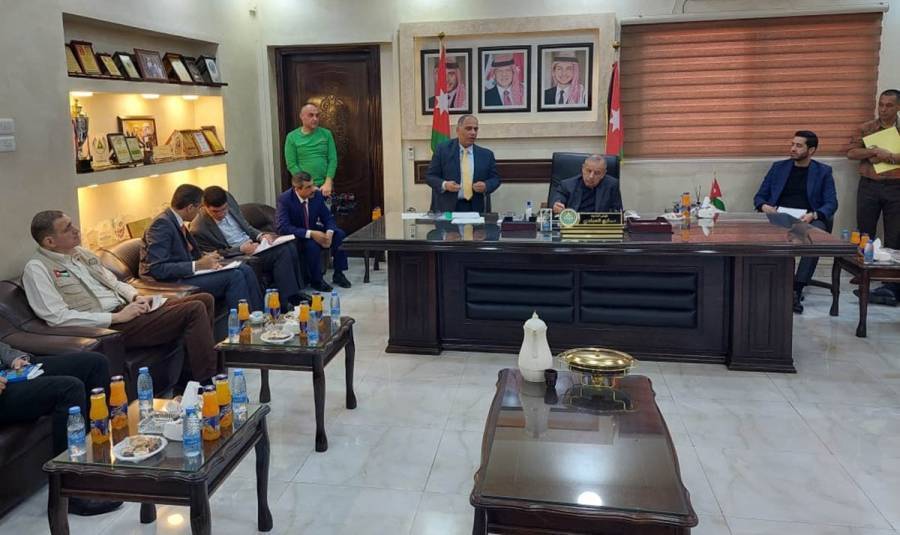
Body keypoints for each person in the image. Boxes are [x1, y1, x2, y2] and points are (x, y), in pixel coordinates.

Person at [23, 210, 221, 384]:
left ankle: (189, 377)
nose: (76, 230)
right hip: (109, 326)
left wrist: (135, 297)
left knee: (204, 299)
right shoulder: (37, 269)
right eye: (67, 229)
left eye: (72, 224)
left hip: (127, 309)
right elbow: (57, 318)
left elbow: (115, 283)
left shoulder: (81, 254)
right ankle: (207, 382)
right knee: (194, 309)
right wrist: (116, 317)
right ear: (50, 241)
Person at [0, 343, 122, 516]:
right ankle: (71, 492)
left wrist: (13, 357)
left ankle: (96, 467)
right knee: (69, 389)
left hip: (7, 371)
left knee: (96, 363)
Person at [139, 184, 264, 313]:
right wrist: (197, 265)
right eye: (199, 208)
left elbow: (186, 253)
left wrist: (207, 257)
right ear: (190, 208)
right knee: (235, 276)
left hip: (186, 272)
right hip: (171, 281)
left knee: (244, 268)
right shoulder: (161, 225)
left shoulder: (175, 221)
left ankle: (259, 316)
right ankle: (244, 323)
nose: (200, 212)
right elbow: (157, 268)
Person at [754, 131, 838, 314]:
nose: (793, 148)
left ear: (811, 150)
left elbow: (831, 203)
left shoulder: (823, 172)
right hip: (778, 217)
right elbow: (759, 196)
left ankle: (795, 289)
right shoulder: (778, 168)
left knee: (813, 237)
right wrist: (764, 206)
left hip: (805, 219)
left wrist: (813, 215)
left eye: (799, 145)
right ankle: (766, 285)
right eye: (792, 144)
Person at [191, 186, 310, 308]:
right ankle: (286, 302)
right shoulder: (199, 228)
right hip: (239, 255)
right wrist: (240, 249)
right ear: (204, 207)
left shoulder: (229, 200)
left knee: (289, 245)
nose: (222, 214)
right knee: (282, 252)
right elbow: (214, 254)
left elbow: (246, 226)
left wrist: (261, 235)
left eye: (224, 209)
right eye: (215, 211)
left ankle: (294, 295)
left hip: (254, 245)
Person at [847, 89, 900, 305]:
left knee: (894, 235)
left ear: (898, 107)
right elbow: (851, 153)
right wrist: (873, 152)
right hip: (869, 185)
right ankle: (863, 273)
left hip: (896, 187)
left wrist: (892, 156)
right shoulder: (867, 128)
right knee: (865, 232)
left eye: (889, 105)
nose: (883, 109)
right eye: (881, 104)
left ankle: (890, 282)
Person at [275, 172, 352, 292]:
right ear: (297, 189)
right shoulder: (285, 199)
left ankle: (338, 273)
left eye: (313, 185)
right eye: (308, 187)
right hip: (298, 236)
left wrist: (329, 233)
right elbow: (283, 227)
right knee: (312, 245)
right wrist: (310, 233)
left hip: (312, 228)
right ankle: (316, 280)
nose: (313, 189)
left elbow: (328, 217)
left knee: (339, 234)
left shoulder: (316, 195)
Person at [426, 115, 501, 213]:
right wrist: (445, 185)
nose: (473, 132)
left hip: (476, 208)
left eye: (475, 129)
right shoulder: (443, 150)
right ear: (458, 130)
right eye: (468, 128)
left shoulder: (486, 155)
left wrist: (486, 185)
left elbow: (495, 179)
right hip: (448, 208)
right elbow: (430, 177)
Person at [284, 104, 338, 197]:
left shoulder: (326, 134)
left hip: (324, 187)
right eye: (311, 115)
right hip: (303, 187)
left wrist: (328, 182)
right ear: (301, 116)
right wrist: (309, 185)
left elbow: (333, 159)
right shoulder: (292, 137)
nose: (315, 119)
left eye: (317, 115)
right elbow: (291, 164)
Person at [550, 155, 623, 214]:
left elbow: (617, 211)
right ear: (583, 169)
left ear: (603, 174)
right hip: (574, 224)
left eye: (597, 173)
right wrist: (557, 205)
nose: (591, 176)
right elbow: (558, 199)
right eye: (589, 171)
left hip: (599, 225)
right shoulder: (567, 185)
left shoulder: (612, 185)